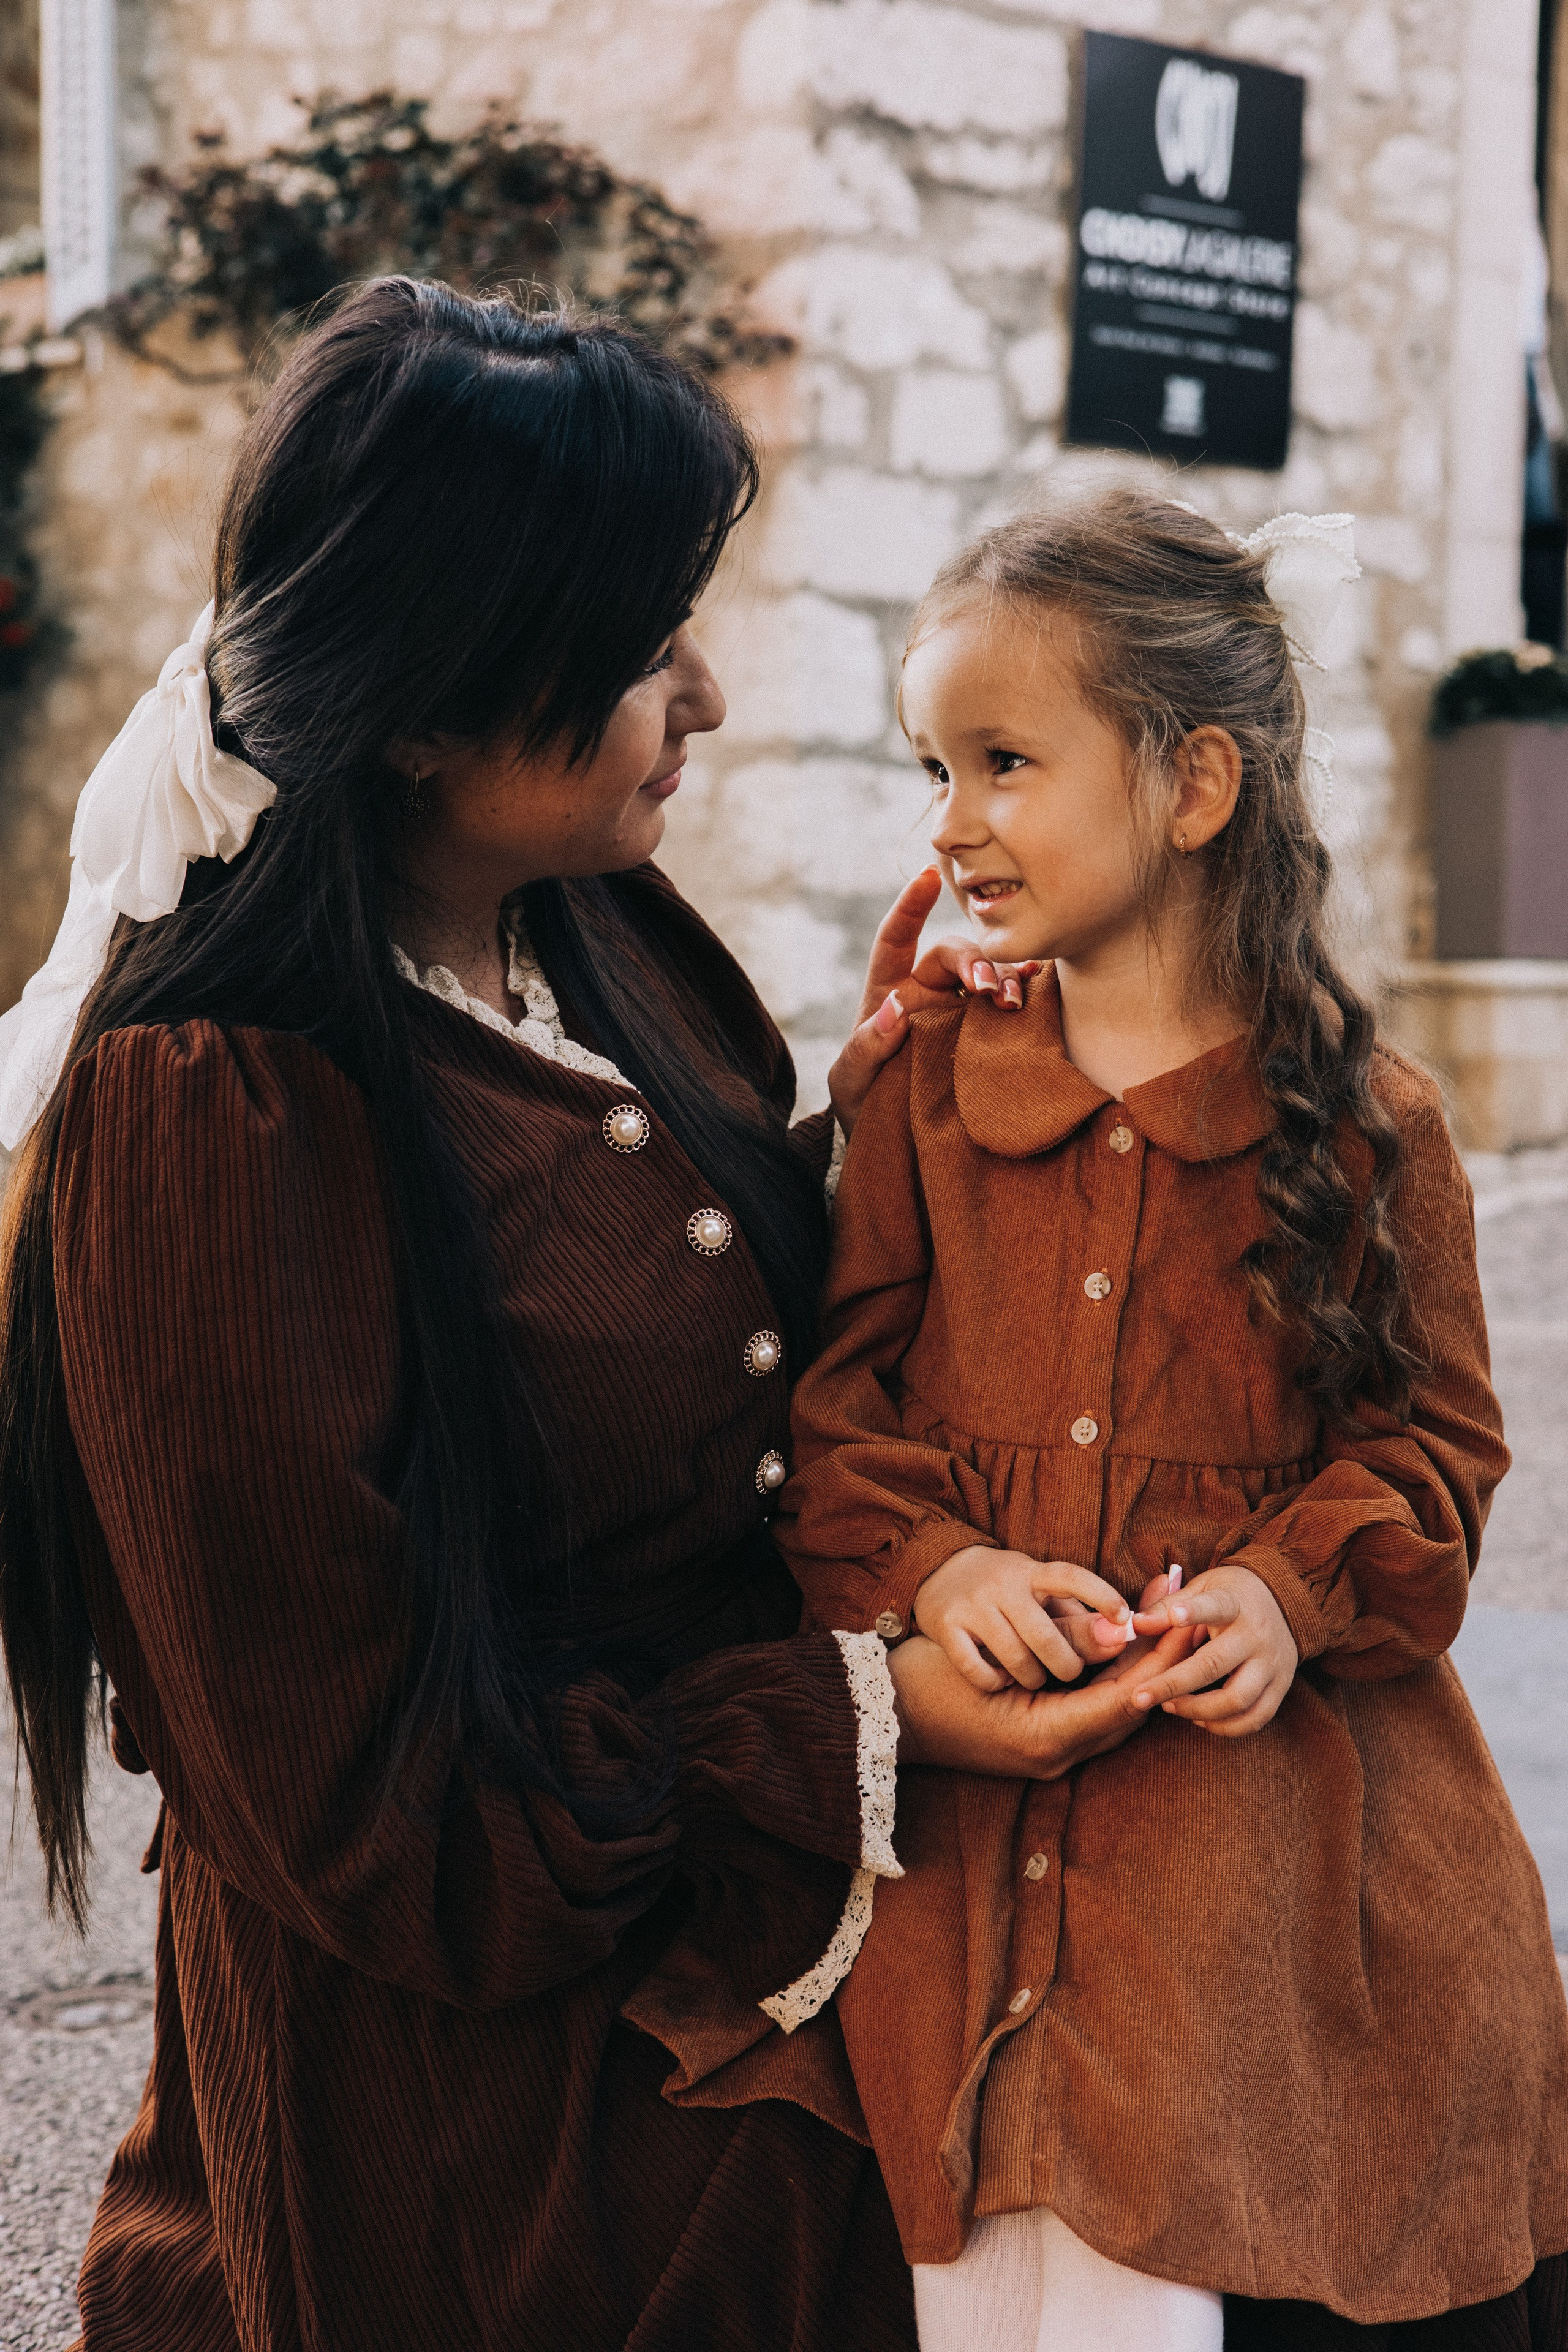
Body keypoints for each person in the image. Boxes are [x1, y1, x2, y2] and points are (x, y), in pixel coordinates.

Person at [0, 276, 1067, 2352]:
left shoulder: (598, 928)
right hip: (491, 2094)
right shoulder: (209, 1112)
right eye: (644, 642)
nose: (713, 697)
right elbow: (382, 1831)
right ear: (426, 697)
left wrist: (931, 1090)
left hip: (752, 1900)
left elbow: (735, 1332)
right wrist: (857, 1722)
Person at [774, 491, 1568, 2350]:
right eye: (933, 766)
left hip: (1254, 1862)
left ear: (1197, 781)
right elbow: (836, 1401)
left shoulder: (1377, 1125)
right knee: (954, 2271)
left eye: (1005, 762)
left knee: (1164, 2268)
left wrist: (1294, 1594)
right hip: (965, 1860)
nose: (952, 820)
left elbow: (1437, 1450)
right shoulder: (917, 1087)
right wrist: (940, 1565)